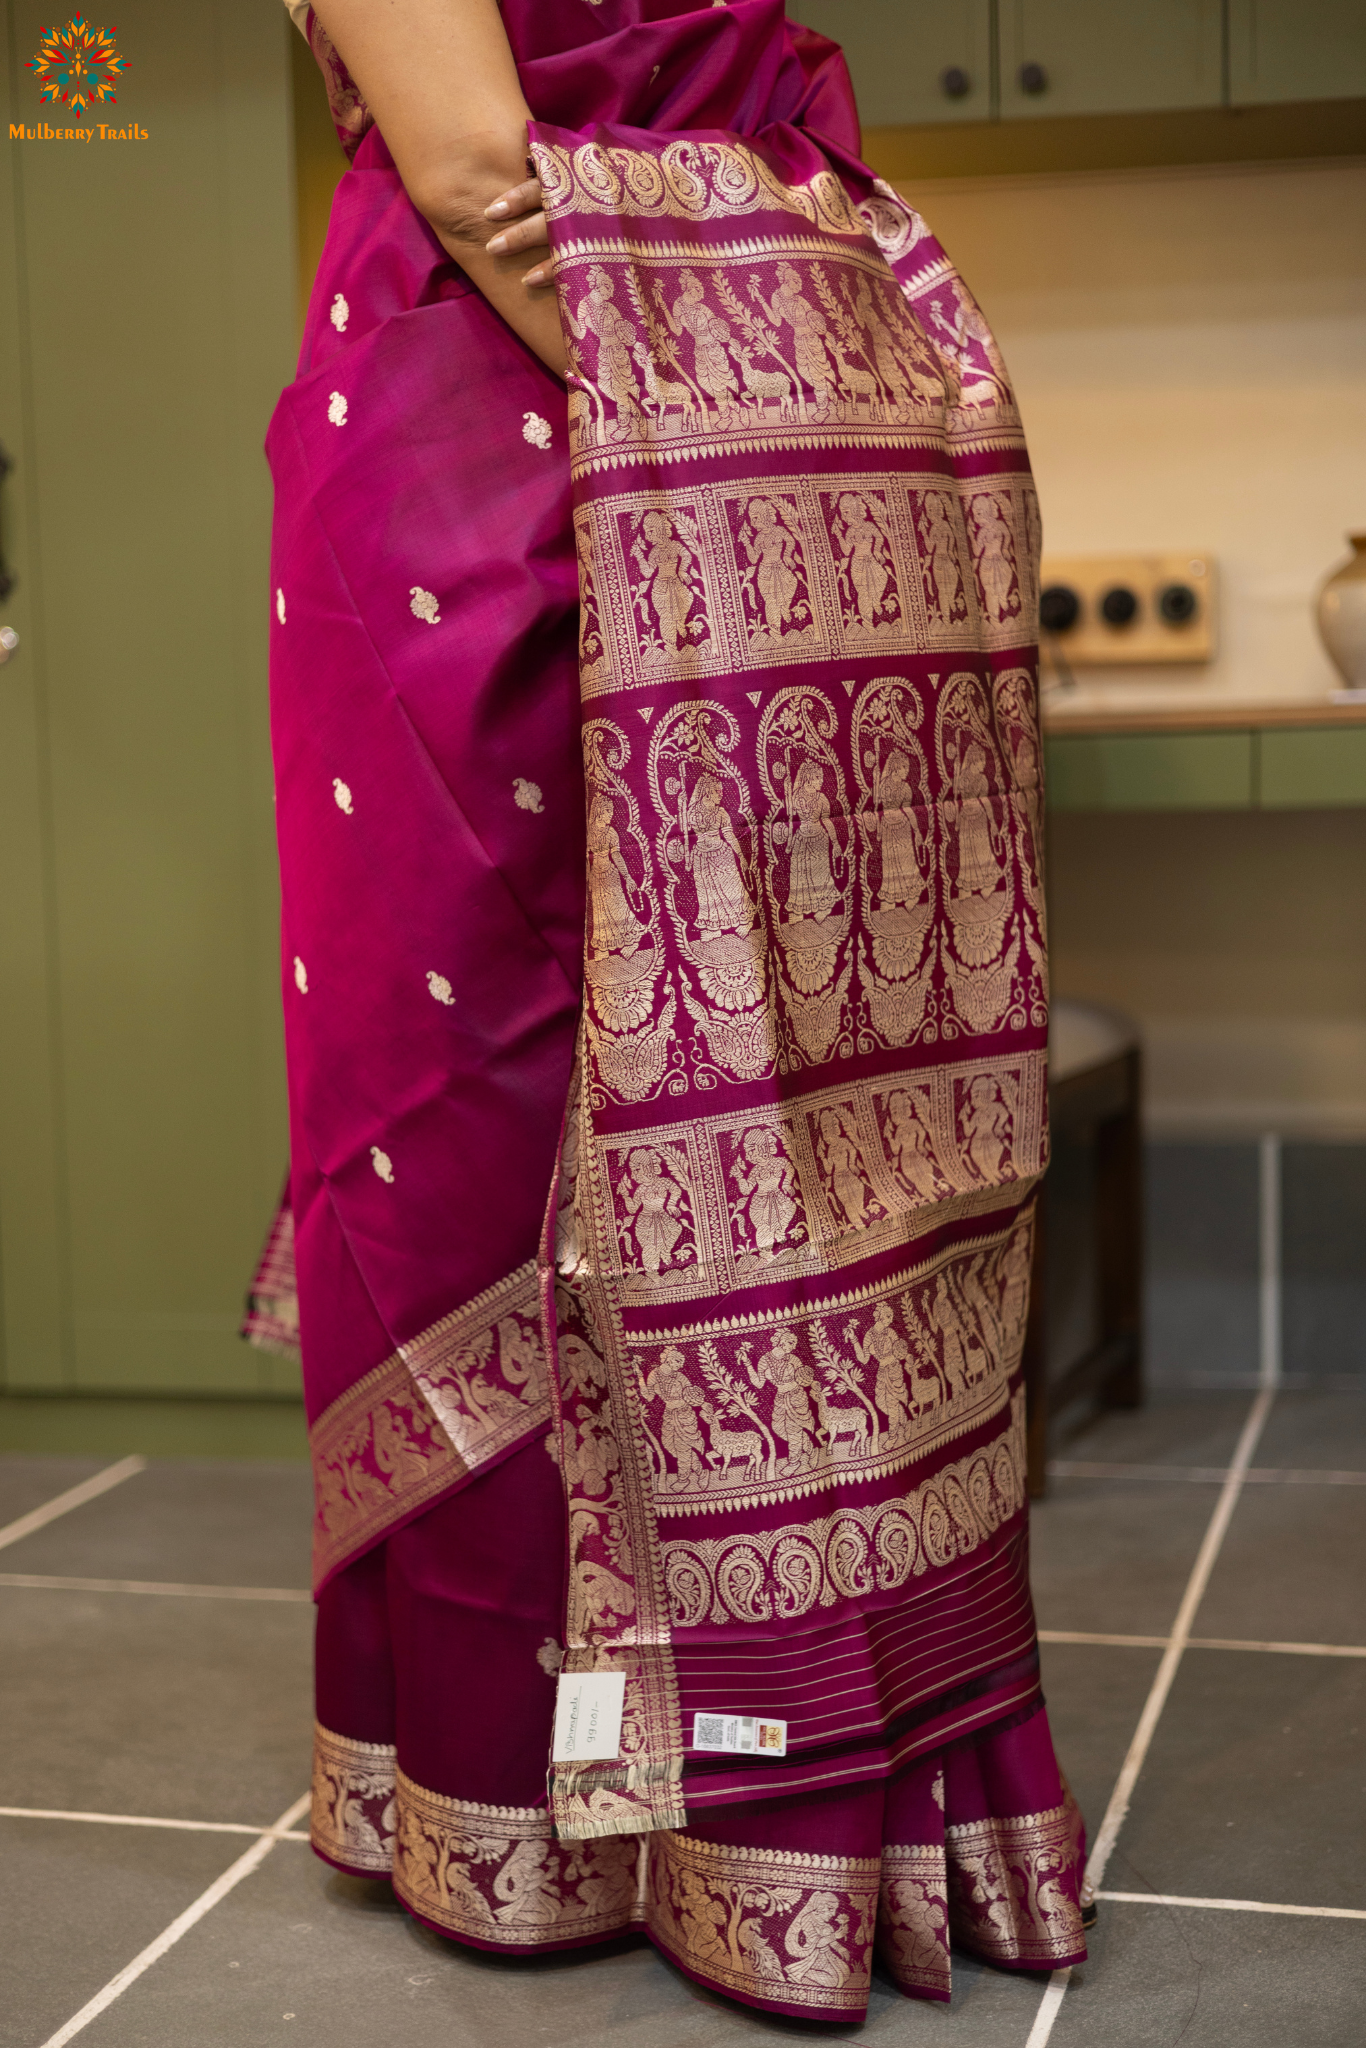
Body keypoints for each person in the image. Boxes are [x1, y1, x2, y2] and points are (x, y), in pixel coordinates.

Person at [254, 0, 1086, 2021]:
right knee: (491, 1138)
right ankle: (533, 1787)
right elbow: (474, 171)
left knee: (787, 1134)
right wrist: (803, 411)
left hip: (664, 482)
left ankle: (738, 1792)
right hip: (506, 520)